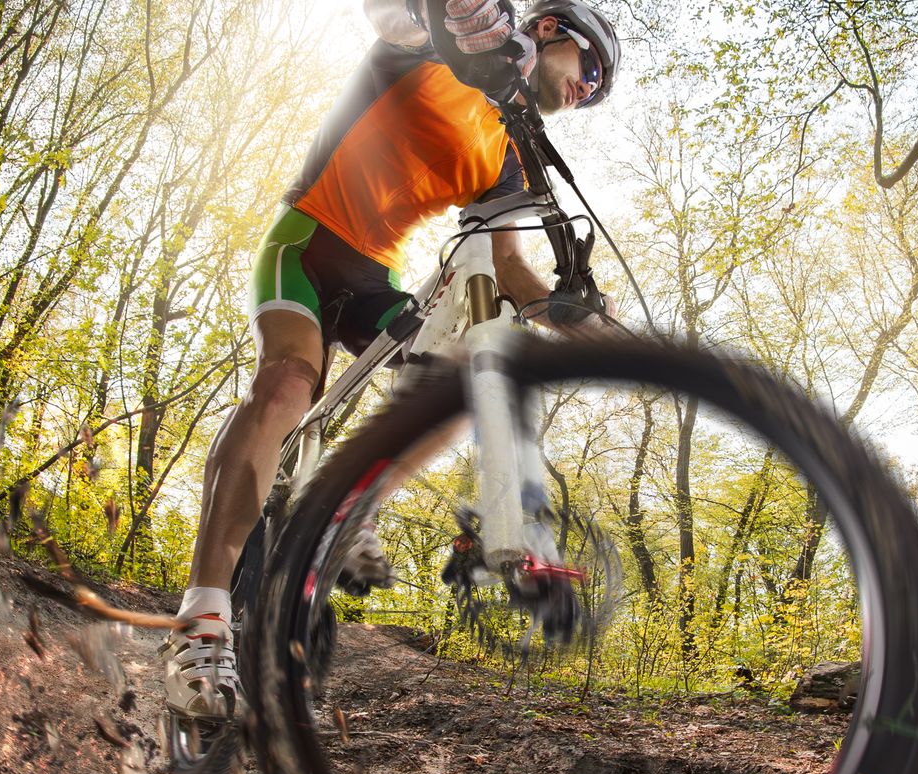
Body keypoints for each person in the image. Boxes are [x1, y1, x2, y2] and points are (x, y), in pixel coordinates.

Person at [160, 0, 622, 721]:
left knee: (461, 385)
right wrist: (470, 23)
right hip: (306, 247)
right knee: (285, 386)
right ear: (548, 29)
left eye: (598, 91)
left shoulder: (507, 159)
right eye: (590, 68)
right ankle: (203, 621)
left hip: (373, 279)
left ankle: (350, 503)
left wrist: (598, 335)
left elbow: (512, 273)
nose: (587, 90)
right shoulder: (450, 47)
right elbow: (392, 14)